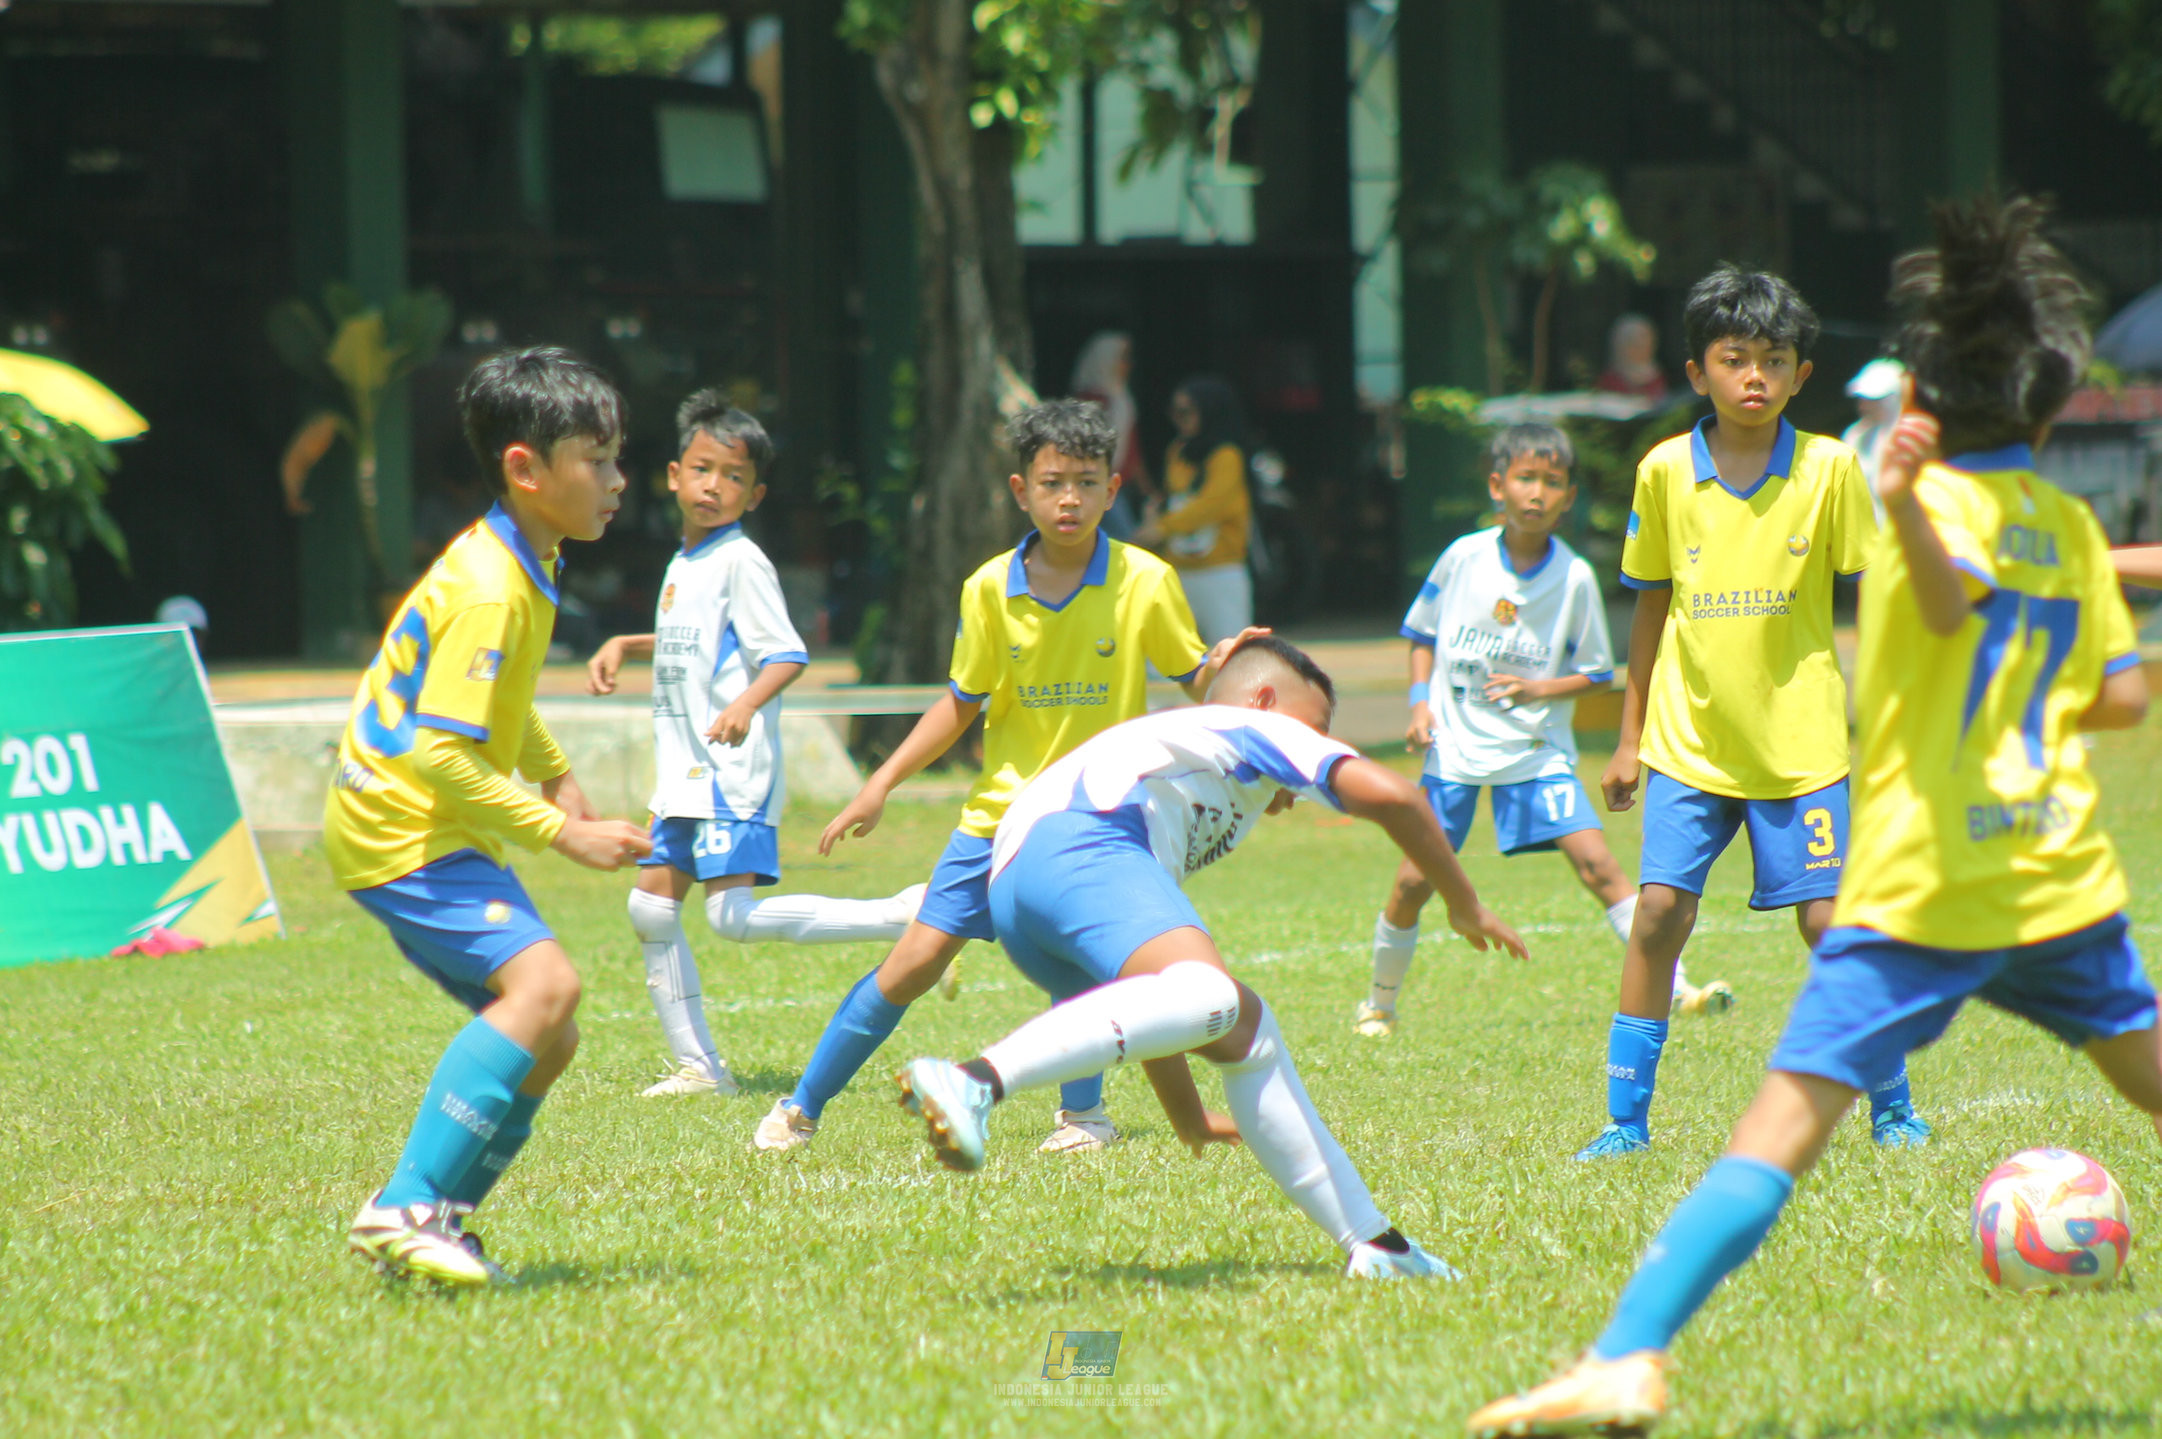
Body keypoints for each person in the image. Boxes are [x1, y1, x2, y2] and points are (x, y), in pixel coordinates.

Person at [1467, 193, 2162, 1439]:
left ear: (1920, 416)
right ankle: (1626, 1171)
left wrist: (1899, 505)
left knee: (1774, 1132)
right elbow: (2116, 698)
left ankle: (1626, 1353)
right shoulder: (2065, 529)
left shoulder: (1894, 506)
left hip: (1925, 892)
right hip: (2058, 883)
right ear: (2052, 410)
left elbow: (1942, 604)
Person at [895, 637, 1529, 1278]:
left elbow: (1149, 1002)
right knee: (1213, 996)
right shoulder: (1250, 724)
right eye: (1317, 727)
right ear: (1263, 701)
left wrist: (1187, 1116)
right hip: (1079, 843)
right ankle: (974, 1080)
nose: (1320, 744)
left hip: (1024, 893)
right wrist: (1463, 903)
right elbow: (1400, 798)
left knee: (1244, 1029)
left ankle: (1376, 1246)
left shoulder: (1191, 767)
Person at [754, 399, 1256, 1155]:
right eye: (1053, 482)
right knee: (912, 963)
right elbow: (960, 703)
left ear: (1113, 491)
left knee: (1095, 962)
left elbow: (1195, 677)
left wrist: (1239, 673)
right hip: (999, 818)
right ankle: (802, 1107)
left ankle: (1082, 1117)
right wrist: (879, 781)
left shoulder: (1146, 580)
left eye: (1087, 483)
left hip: (1098, 821)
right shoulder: (989, 587)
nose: (1070, 499)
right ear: (1020, 490)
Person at [1583, 264, 1926, 1162]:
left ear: (1802, 376)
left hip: (1803, 744)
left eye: (1775, 361)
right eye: (1734, 359)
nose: (1755, 378)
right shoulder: (1663, 471)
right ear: (1696, 371)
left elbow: (1875, 599)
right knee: (1658, 914)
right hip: (1690, 744)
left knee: (1827, 924)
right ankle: (1625, 1122)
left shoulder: (1829, 467)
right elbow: (1651, 605)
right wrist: (1628, 741)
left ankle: (1892, 1105)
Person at [332, 347, 653, 1286]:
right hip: (403, 828)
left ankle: (438, 1221)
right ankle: (401, 1205)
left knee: (552, 1032)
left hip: (415, 823)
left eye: (617, 456)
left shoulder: (524, 555)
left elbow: (500, 701)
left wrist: (553, 774)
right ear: (526, 468)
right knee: (546, 990)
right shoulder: (488, 585)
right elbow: (441, 749)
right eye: (596, 459)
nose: (618, 481)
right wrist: (567, 831)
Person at [586, 390, 922, 1099]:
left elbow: (785, 653)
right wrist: (627, 641)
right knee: (649, 906)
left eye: (733, 477)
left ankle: (898, 914)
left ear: (755, 493)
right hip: (682, 773)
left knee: (729, 918)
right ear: (674, 475)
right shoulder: (687, 561)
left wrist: (744, 704)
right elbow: (698, 638)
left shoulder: (742, 560)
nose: (714, 486)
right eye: (703, 470)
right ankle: (700, 1068)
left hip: (728, 771)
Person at [1358, 423, 1729, 1040]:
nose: (1538, 493)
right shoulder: (1462, 558)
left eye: (1552, 482)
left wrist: (1538, 689)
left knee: (1598, 866)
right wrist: (1420, 707)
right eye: (1526, 479)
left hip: (1535, 750)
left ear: (1569, 495)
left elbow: (1594, 674)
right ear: (1497, 486)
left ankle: (1682, 989)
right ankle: (1378, 1005)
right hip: (1455, 747)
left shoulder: (1576, 576)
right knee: (1413, 879)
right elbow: (1421, 636)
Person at [1139, 375, 1253, 644]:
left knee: (1230, 655)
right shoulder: (1177, 450)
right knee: (1168, 660)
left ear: (1209, 411)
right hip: (1179, 569)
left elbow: (1210, 506)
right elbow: (1174, 495)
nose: (1179, 419)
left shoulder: (1228, 456)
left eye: (1187, 411)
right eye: (1174, 412)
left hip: (1220, 571)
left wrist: (1161, 528)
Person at [1070, 331, 1149, 541]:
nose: (1127, 366)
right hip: (1092, 486)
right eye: (1122, 359)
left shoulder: (1123, 400)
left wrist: (1148, 491)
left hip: (1118, 487)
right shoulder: (1088, 404)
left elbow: (1132, 453)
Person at [1841, 355, 1907, 520]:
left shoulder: (1910, 439)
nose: (1864, 405)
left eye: (1874, 399)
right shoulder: (1855, 435)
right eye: (1862, 399)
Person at [1596, 314, 1670, 406]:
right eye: (1633, 342)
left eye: (1644, 340)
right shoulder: (1611, 378)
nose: (1640, 346)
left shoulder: (1656, 375)